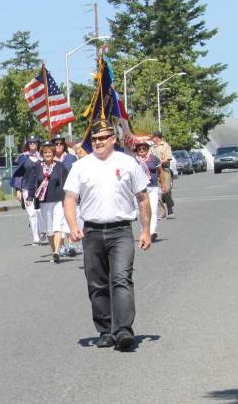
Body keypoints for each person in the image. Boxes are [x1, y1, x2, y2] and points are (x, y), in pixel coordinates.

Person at [64, 120, 152, 351]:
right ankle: (105, 330)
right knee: (97, 283)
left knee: (121, 278)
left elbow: (142, 198)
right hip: (92, 231)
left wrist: (145, 230)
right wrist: (73, 225)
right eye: (94, 139)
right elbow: (70, 198)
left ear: (114, 139)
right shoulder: (81, 166)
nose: (98, 142)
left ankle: (123, 330)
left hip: (121, 230)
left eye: (103, 138)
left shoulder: (128, 163)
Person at [23, 140, 69, 262]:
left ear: (53, 153)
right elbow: (33, 183)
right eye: (45, 153)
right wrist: (30, 197)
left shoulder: (59, 167)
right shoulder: (37, 166)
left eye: (49, 152)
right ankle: (53, 251)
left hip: (58, 200)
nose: (47, 154)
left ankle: (56, 251)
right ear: (42, 154)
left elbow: (66, 183)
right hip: (44, 201)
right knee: (49, 229)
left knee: (58, 225)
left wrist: (67, 199)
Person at [13, 136, 44, 245]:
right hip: (26, 188)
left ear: (38, 143)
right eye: (30, 142)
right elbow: (19, 175)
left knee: (40, 212)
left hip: (41, 188)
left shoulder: (43, 156)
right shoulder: (23, 158)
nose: (32, 144)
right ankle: (36, 238)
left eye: (34, 142)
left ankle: (42, 230)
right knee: (32, 213)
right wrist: (18, 189)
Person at [131, 138, 161, 240]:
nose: (142, 150)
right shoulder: (133, 161)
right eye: (139, 149)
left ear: (147, 149)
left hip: (152, 187)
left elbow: (160, 172)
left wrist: (164, 184)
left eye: (144, 148)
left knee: (153, 209)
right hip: (138, 189)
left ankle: (152, 231)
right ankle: (145, 230)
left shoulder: (154, 159)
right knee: (140, 211)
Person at [150, 131, 175, 217]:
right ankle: (162, 212)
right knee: (157, 192)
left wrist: (159, 162)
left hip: (164, 170)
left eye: (152, 137)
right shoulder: (151, 148)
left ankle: (170, 207)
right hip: (155, 171)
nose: (152, 139)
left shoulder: (165, 146)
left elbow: (168, 159)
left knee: (166, 190)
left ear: (157, 137)